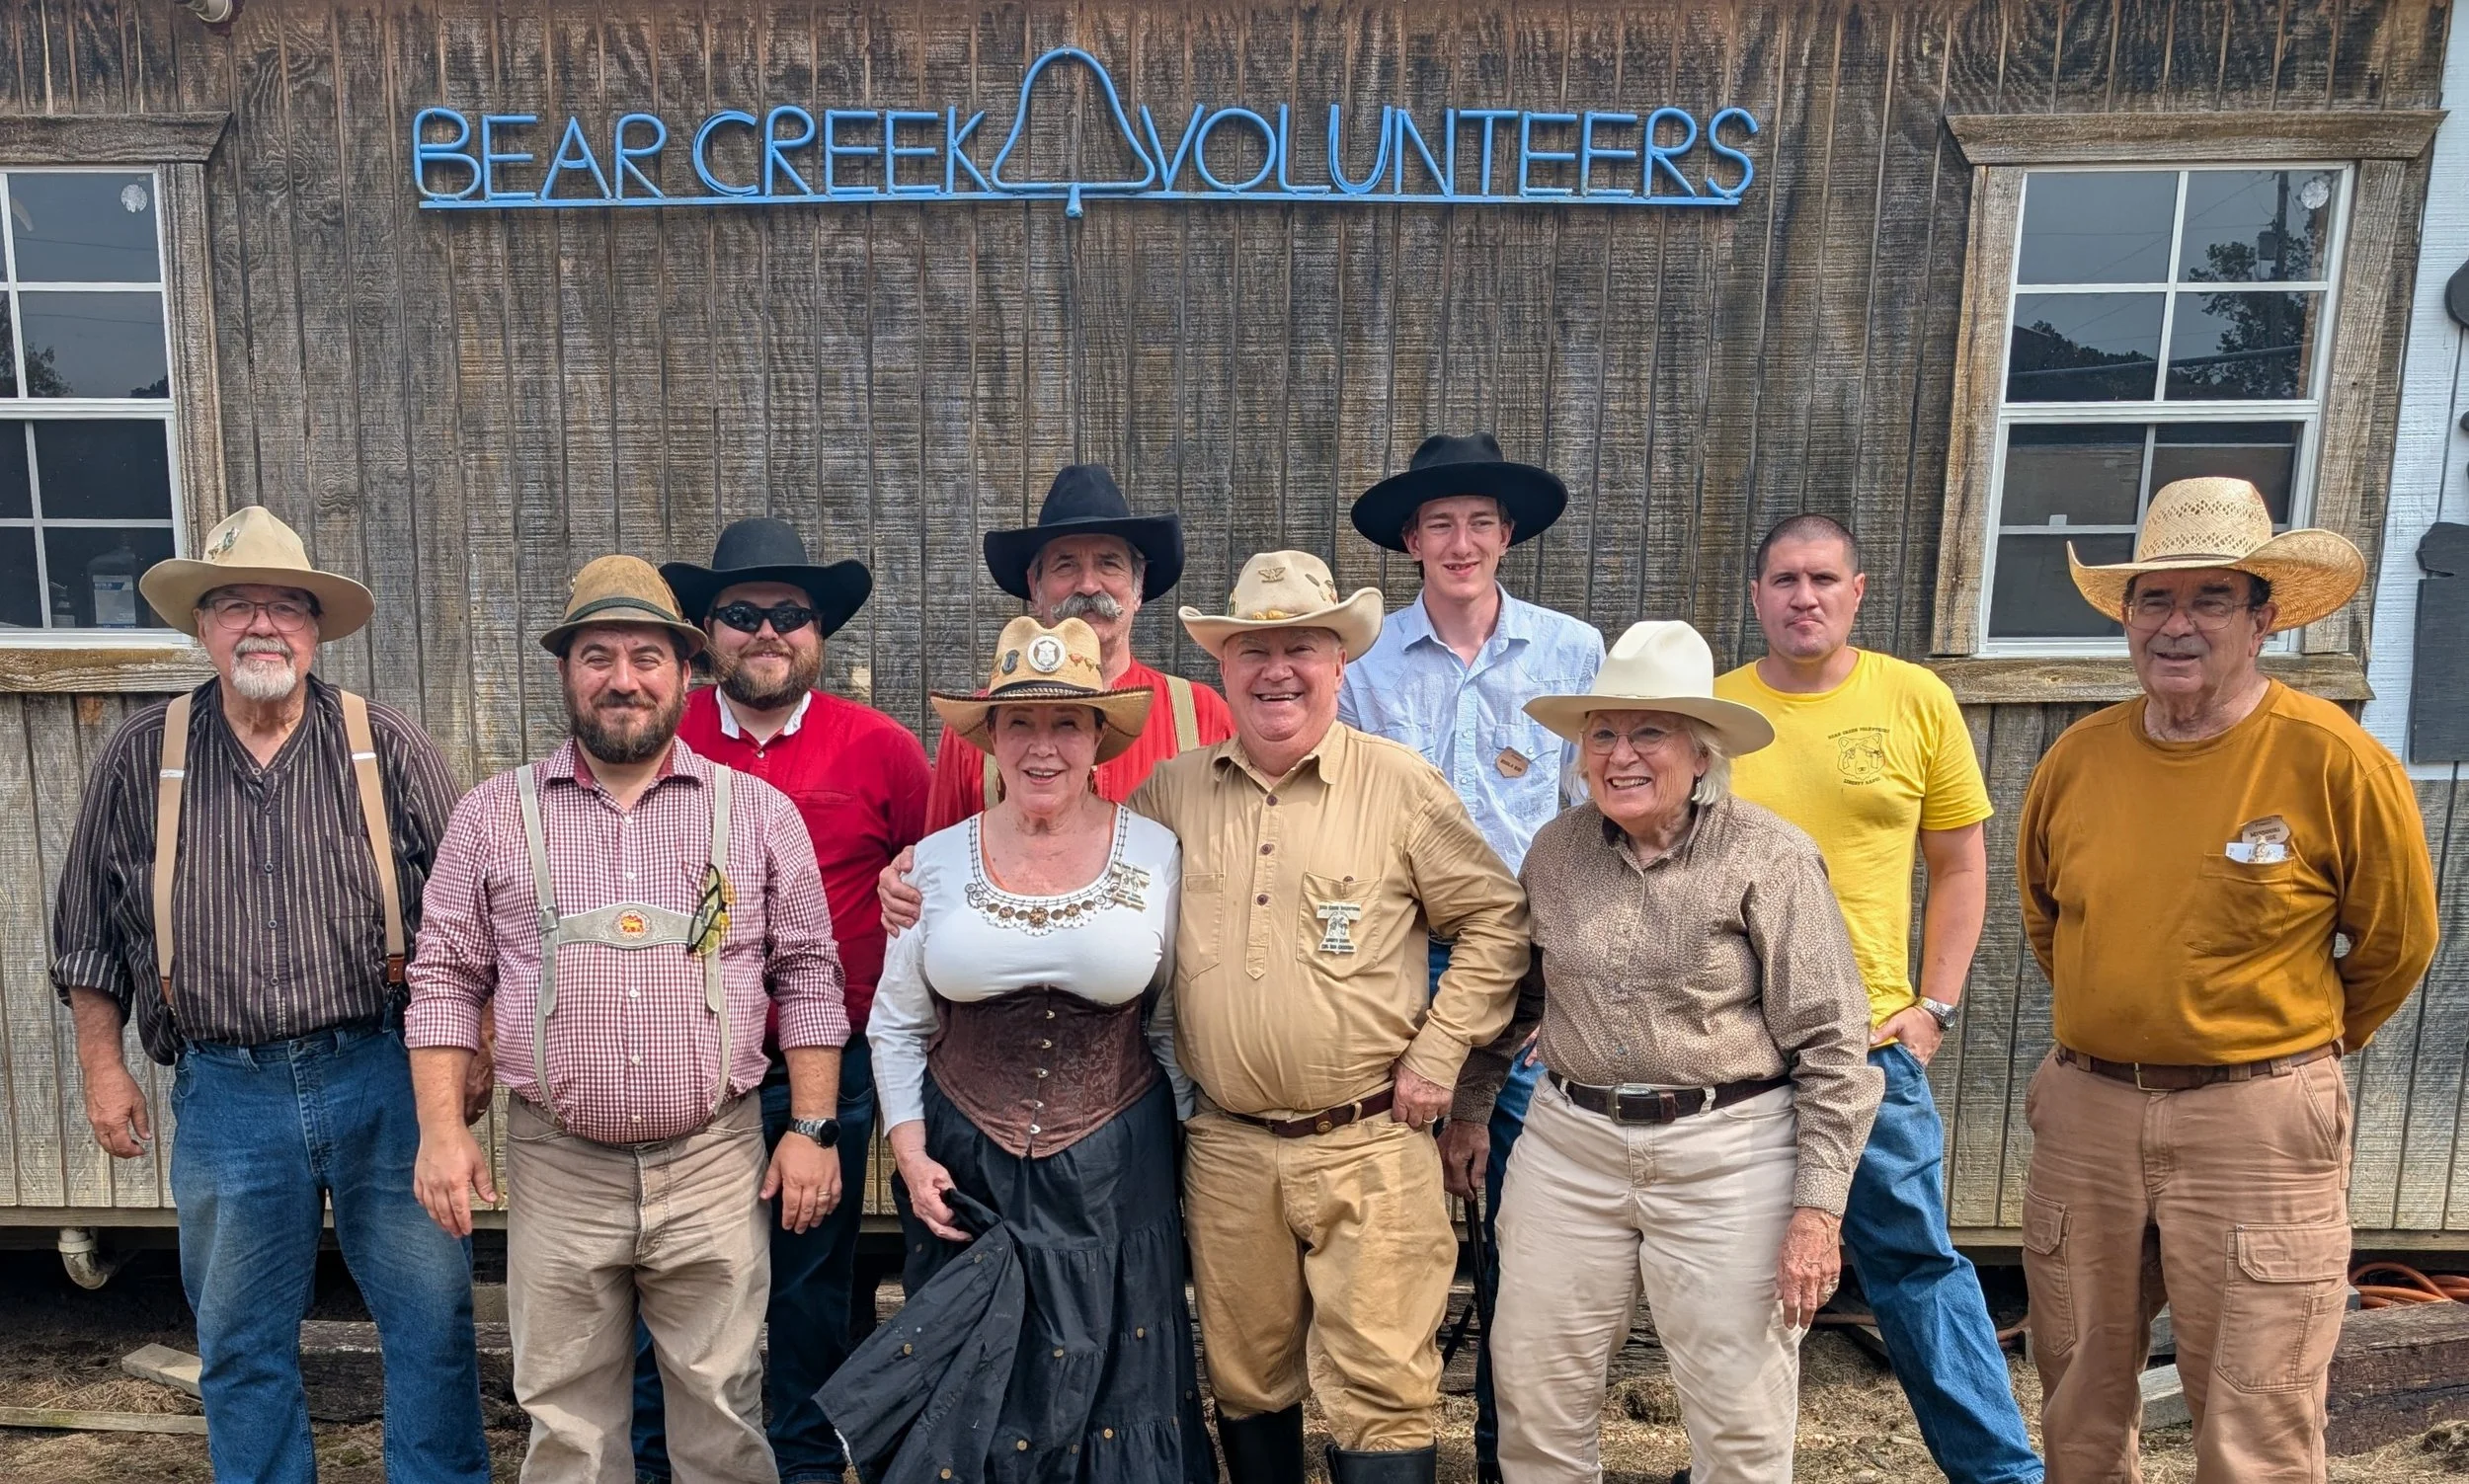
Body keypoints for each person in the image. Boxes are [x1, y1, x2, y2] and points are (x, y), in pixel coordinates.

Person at [881, 552, 1530, 1484]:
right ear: (1222, 669)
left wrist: (1440, 1054)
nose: (1277, 669)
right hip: (1224, 1145)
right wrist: (913, 883)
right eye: (1253, 649)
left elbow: (1496, 919)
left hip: (1368, 1136)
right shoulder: (1167, 799)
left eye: (1301, 646)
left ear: (1339, 662)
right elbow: (1071, 855)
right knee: (1246, 1376)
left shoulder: (1400, 785)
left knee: (1383, 1384)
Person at [49, 506, 490, 1484]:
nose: (262, 623)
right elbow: (86, 932)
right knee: (243, 1348)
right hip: (226, 1092)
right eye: (235, 603)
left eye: (285, 605)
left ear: (315, 628)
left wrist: (477, 1053)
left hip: (383, 1074)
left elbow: (473, 912)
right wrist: (102, 1068)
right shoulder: (140, 756)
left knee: (432, 1329)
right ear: (203, 626)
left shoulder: (386, 745)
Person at [2018, 478, 2437, 1484]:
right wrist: (2125, 1015)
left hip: (2256, 1123)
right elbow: (2048, 920)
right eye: (2153, 600)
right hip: (2086, 1113)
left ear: (2261, 619)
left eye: (2210, 599)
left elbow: (2394, 945)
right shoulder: (2076, 761)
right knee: (2076, 1398)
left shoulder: (2332, 760)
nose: (2176, 625)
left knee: (2256, 1415)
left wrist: (2278, 1053)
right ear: (2125, 619)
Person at [405, 556, 851, 1484]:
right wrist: (443, 1133)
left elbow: (809, 977)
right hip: (558, 1163)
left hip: (714, 1161)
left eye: (646, 656)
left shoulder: (757, 814)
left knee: (724, 1409)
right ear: (566, 672)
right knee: (569, 1421)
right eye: (597, 654)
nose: (623, 678)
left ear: (686, 674)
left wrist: (810, 1127)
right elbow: (444, 979)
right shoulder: (493, 815)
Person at [1467, 619, 1881, 1484]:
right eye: (1604, 732)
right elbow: (1521, 997)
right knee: (1534, 1386)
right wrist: (1472, 1106)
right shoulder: (1556, 851)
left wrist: (1817, 1209)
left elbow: (1833, 1043)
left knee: (1738, 1410)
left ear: (1701, 753)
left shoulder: (1770, 856)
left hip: (1727, 1148)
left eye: (1649, 731)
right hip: (1570, 1143)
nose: (1622, 754)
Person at [822, 615, 1212, 1481]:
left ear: (1099, 739)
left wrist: (1192, 1151)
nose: (1044, 746)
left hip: (1118, 1172)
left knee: (1110, 1390)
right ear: (990, 739)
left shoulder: (1158, 854)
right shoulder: (929, 864)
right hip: (969, 1170)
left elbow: (1175, 1019)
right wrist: (912, 1155)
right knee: (979, 1388)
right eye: (1021, 723)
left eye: (1067, 722)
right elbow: (896, 1024)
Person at [1711, 513, 2043, 1484]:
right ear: (1756, 596)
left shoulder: (1914, 700)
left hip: (1867, 1043)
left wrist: (1934, 1006)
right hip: (1730, 1045)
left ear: (1857, 591)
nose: (1801, 597)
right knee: (1722, 1274)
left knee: (1915, 1266)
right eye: (1782, 580)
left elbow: (1958, 864)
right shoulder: (1716, 714)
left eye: (1821, 579)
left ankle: (1999, 1474)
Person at [604, 519, 929, 1484]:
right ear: (705, 636)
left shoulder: (881, 749)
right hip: (683, 1067)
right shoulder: (657, 741)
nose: (767, 632)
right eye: (741, 614)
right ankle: (659, 1463)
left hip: (824, 1066)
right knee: (670, 1283)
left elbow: (934, 876)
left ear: (819, 633)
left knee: (806, 1289)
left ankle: (802, 1464)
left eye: (791, 615)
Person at [1339, 431, 1604, 1483]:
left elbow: (1590, 817)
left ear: (1508, 536)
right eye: (1440, 523)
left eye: (1480, 524)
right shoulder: (1360, 668)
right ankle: (1390, 1439)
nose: (1461, 542)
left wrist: (1558, 978)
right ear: (1411, 540)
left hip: (1530, 974)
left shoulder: (1572, 654)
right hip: (1404, 969)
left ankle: (1513, 1456)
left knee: (1527, 1229)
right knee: (1401, 1218)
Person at [921, 463, 1233, 829]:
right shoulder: (974, 730)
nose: (1088, 585)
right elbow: (939, 868)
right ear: (1035, 587)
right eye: (1065, 565)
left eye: (1108, 563)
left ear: (1139, 585)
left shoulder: (1202, 716)